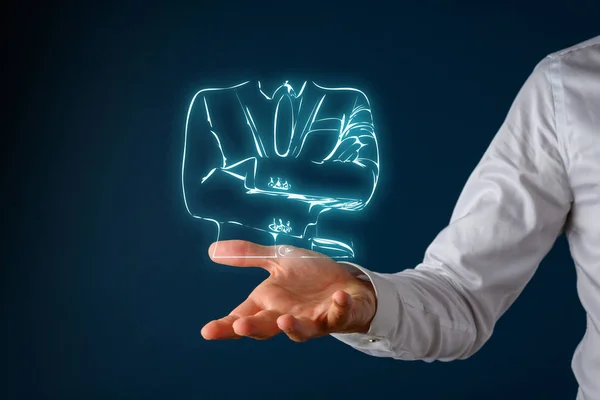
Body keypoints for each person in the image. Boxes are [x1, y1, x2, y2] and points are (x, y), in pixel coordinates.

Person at [200, 36, 600, 399]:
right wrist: (369, 303)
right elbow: (462, 294)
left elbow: (355, 183)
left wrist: (257, 170)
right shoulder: (566, 87)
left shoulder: (342, 102)